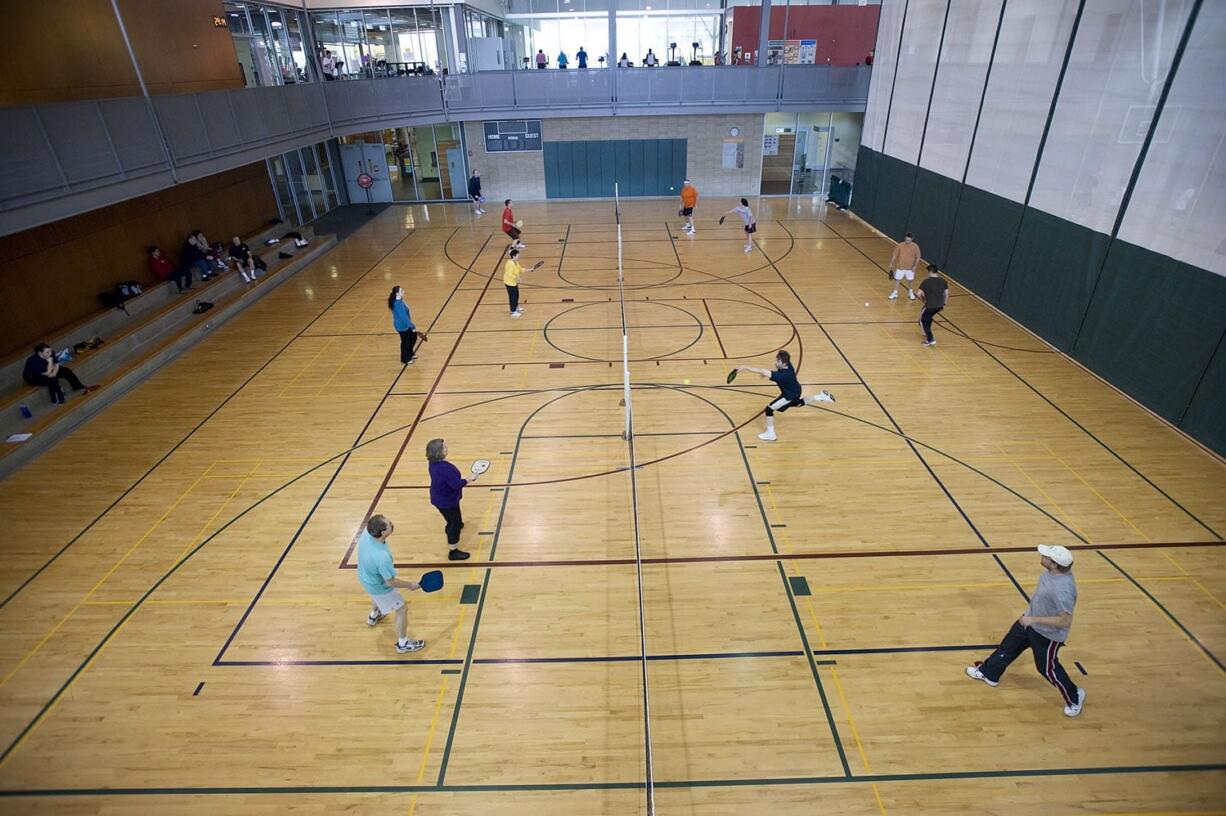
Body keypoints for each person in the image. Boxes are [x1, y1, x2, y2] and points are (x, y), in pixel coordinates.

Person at [966, 545, 1086, 718]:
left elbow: (1064, 620)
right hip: (1029, 621)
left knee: (1047, 669)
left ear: (1054, 564)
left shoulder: (1063, 589)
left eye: (1046, 556)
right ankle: (989, 673)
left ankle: (1075, 697)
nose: (1043, 556)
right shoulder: (1051, 573)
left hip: (1047, 635)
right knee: (1008, 647)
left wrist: (1034, 619)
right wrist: (1030, 617)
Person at [357, 514, 425, 654]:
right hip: (379, 586)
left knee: (376, 597)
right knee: (402, 609)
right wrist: (410, 585)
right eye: (389, 524)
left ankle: (374, 615)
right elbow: (390, 581)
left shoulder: (365, 535)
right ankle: (403, 643)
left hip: (365, 577)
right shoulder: (382, 557)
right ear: (382, 532)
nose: (392, 524)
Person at [736, 350, 834, 442]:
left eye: (778, 361)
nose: (776, 362)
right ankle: (820, 396)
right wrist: (767, 373)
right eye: (776, 359)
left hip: (788, 395)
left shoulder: (783, 376)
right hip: (796, 389)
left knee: (769, 409)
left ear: (784, 363)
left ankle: (771, 434)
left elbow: (762, 371)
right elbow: (773, 370)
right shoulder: (788, 364)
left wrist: (745, 367)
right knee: (798, 404)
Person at [427, 438, 482, 561]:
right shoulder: (443, 469)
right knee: (454, 523)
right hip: (446, 501)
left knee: (454, 516)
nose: (447, 449)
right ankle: (453, 551)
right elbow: (456, 484)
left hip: (443, 497)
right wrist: (469, 478)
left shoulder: (433, 463)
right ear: (438, 452)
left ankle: (455, 523)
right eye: (444, 448)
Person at [23, 343, 99, 405]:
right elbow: (46, 373)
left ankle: (79, 387)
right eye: (47, 352)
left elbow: (56, 364)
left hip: (49, 369)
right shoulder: (33, 361)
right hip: (34, 377)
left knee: (66, 371)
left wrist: (55, 371)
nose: (50, 353)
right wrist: (52, 371)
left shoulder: (50, 353)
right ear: (40, 353)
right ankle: (57, 399)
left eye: (50, 351)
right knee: (51, 379)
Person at [917, 264, 948, 347]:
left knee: (922, 320)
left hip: (930, 305)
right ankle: (928, 334)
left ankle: (930, 339)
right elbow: (946, 293)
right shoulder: (943, 281)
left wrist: (923, 299)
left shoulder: (926, 281)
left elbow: (919, 293)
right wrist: (944, 303)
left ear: (930, 272)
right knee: (929, 317)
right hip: (939, 306)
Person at [887, 232, 922, 301]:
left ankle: (910, 292)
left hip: (910, 268)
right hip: (900, 267)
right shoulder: (900, 245)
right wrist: (891, 263)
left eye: (909, 240)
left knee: (910, 281)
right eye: (906, 240)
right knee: (897, 280)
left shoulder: (915, 246)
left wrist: (915, 266)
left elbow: (918, 257)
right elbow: (895, 255)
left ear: (912, 239)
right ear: (904, 238)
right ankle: (895, 293)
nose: (907, 241)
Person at [389, 286, 418, 364]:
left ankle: (410, 353)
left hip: (405, 324)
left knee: (413, 337)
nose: (404, 291)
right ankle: (405, 358)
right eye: (402, 291)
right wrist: (412, 326)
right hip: (402, 326)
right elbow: (403, 318)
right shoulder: (398, 304)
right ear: (398, 293)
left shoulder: (400, 301)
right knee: (406, 342)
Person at [504, 247, 526, 318]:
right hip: (509, 283)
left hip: (514, 283)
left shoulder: (516, 262)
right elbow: (509, 274)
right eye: (517, 255)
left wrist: (529, 270)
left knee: (516, 295)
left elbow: (520, 269)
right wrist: (518, 278)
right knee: (512, 297)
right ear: (513, 256)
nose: (518, 256)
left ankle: (516, 307)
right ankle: (513, 311)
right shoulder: (510, 264)